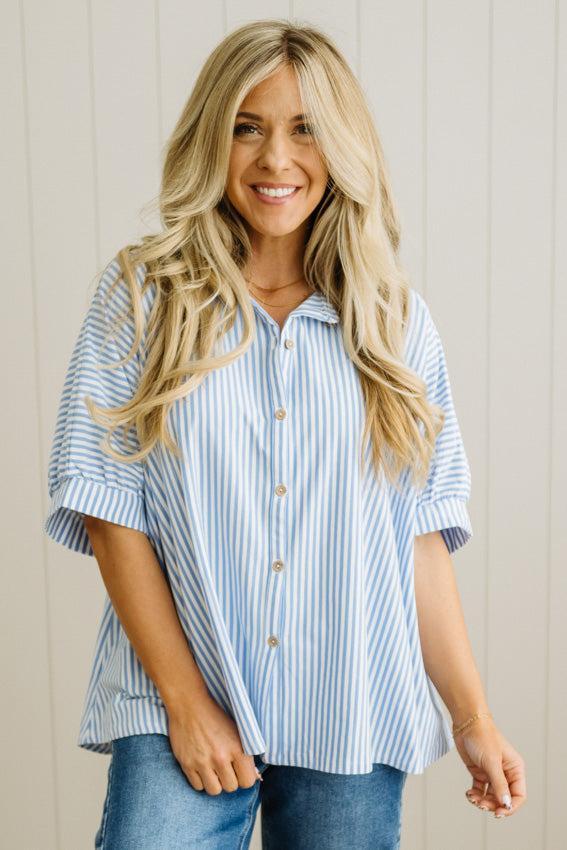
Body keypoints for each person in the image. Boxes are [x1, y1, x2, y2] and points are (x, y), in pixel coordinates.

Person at [43, 18, 526, 850]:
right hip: (174, 705)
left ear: (341, 147)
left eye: (305, 129)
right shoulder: (142, 296)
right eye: (247, 127)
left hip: (351, 705)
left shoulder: (393, 323)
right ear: (210, 139)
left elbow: (418, 540)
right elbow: (109, 511)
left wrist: (473, 716)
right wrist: (189, 708)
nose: (275, 160)